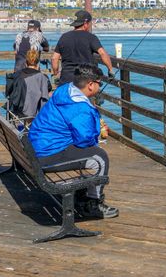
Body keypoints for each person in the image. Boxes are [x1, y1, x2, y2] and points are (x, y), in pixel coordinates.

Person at [28, 63, 118, 219]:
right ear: (90, 85)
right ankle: (93, 204)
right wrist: (98, 131)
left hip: (37, 146)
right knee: (99, 157)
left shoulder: (65, 90)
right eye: (99, 84)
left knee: (89, 152)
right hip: (46, 154)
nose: (100, 86)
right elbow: (84, 141)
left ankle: (85, 195)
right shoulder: (80, 107)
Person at [52, 10, 113, 85]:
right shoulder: (91, 37)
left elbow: (55, 58)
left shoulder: (64, 37)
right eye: (90, 23)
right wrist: (110, 70)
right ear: (85, 23)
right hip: (84, 80)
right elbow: (103, 54)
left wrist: (56, 74)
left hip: (66, 78)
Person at [6, 49, 52, 120]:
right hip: (35, 115)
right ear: (37, 63)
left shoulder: (16, 75)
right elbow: (45, 97)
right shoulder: (42, 77)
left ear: (26, 63)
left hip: (17, 113)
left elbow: (9, 93)